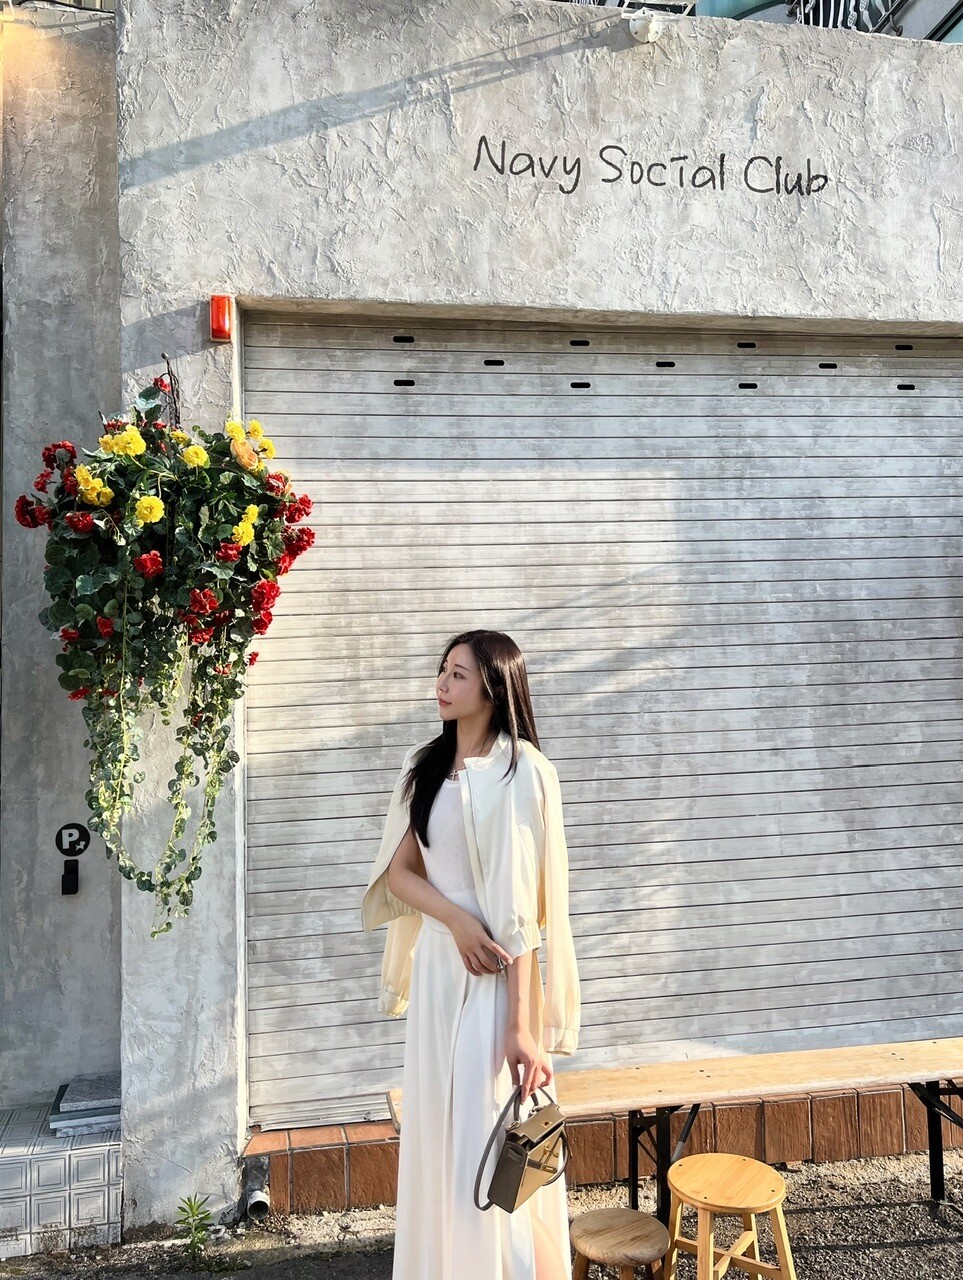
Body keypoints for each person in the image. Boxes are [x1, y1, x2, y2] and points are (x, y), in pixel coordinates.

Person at [360, 629, 582, 1280]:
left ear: (492, 687)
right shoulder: (424, 765)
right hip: (440, 972)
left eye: (457, 674)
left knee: (488, 1138)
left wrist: (522, 1028)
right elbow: (400, 874)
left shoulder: (523, 771)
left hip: (496, 981)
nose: (442, 683)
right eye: (442, 670)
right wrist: (455, 920)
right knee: (440, 1137)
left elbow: (524, 918)